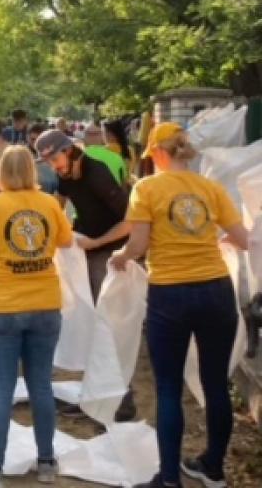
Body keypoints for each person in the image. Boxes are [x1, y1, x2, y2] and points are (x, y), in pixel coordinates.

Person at [109, 123, 248, 488]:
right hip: (216, 291)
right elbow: (243, 239)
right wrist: (213, 238)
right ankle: (214, 468)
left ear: (156, 152)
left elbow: (138, 246)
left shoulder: (147, 188)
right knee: (216, 383)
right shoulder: (211, 188)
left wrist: (121, 257)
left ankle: (169, 478)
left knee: (168, 387)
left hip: (170, 293)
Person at [0, 146, 73, 486]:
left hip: (1, 308)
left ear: (1, 173)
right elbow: (65, 242)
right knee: (41, 384)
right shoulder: (50, 204)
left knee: (1, 388)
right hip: (45, 305)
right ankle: (47, 462)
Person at [36, 128, 136, 422]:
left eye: (54, 158)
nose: (53, 167)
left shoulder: (97, 174)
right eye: (48, 162)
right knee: (89, 324)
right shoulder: (65, 176)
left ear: (69, 151)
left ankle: (122, 400)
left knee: (107, 326)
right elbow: (57, 206)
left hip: (110, 254)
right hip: (85, 251)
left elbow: (130, 220)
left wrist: (97, 243)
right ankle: (94, 394)